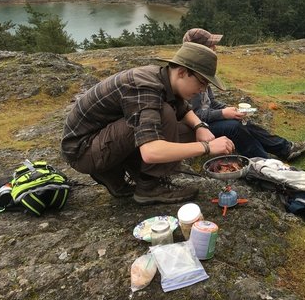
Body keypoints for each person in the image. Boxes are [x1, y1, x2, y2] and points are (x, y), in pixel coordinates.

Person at [61, 41, 236, 205]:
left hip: (100, 138)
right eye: (202, 82)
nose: (203, 90)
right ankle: (149, 187)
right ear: (182, 72)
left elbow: (183, 109)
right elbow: (151, 152)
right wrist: (207, 147)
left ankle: (116, 170)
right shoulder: (144, 87)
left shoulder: (163, 77)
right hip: (82, 150)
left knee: (188, 130)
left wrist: (200, 127)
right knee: (164, 113)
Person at [182, 28, 305, 161]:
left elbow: (212, 103)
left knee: (242, 121)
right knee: (234, 127)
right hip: (198, 129)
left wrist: (230, 109)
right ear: (199, 49)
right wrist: (223, 114)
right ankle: (265, 163)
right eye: (211, 45)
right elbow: (195, 115)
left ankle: (285, 148)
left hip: (207, 121)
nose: (215, 47)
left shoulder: (202, 69)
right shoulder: (190, 78)